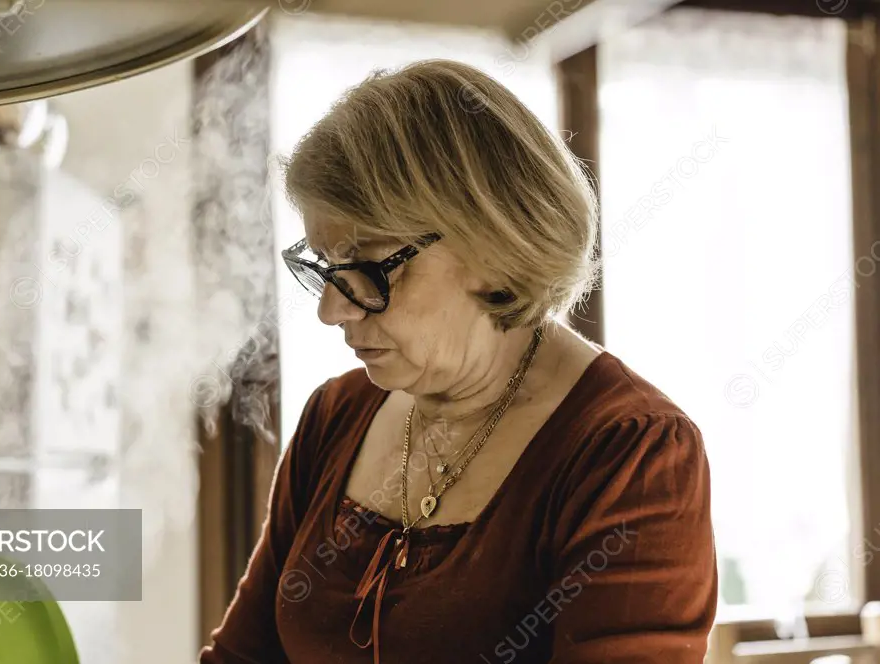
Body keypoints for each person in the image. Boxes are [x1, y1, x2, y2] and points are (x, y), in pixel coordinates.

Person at [200, 59, 716, 664]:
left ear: (493, 246)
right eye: (324, 268)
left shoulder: (630, 452)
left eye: (365, 268)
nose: (333, 311)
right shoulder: (337, 415)